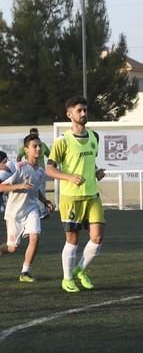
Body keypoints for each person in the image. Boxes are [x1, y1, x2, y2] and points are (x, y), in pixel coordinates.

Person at [46, 96, 106, 293]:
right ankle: (67, 278)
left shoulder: (94, 137)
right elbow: (50, 169)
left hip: (92, 195)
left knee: (97, 238)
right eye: (79, 110)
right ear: (69, 114)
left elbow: (89, 163)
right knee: (72, 240)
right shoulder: (62, 141)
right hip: (71, 198)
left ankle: (80, 269)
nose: (83, 113)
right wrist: (69, 177)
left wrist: (96, 172)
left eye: (85, 110)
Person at [0, 135, 55, 281]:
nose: (38, 149)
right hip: (14, 213)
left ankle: (25, 272)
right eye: (34, 146)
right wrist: (19, 185)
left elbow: (36, 190)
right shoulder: (18, 168)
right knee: (12, 248)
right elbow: (1, 187)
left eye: (39, 146)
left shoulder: (41, 171)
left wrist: (45, 201)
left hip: (31, 209)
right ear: (26, 150)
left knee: (35, 237)